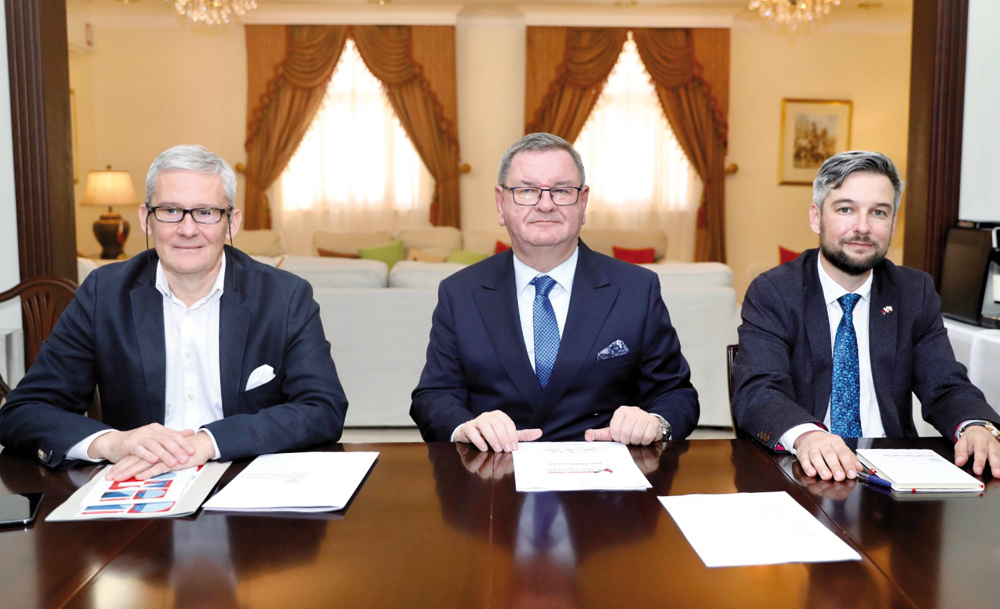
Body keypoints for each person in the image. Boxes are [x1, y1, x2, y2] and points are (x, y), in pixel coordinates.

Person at [0, 145, 348, 479]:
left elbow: (323, 408)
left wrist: (210, 442)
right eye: (170, 210)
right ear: (146, 219)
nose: (187, 228)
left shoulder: (284, 296)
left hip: (243, 485)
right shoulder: (103, 294)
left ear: (233, 222)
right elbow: (23, 411)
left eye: (206, 212)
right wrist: (114, 442)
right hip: (139, 487)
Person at [410, 132, 698, 452]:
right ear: (501, 203)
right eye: (527, 190)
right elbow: (433, 396)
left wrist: (656, 422)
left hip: (605, 481)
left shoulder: (636, 288)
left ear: (583, 201)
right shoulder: (460, 292)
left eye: (561, 190)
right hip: (494, 478)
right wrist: (464, 427)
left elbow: (676, 393)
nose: (545, 204)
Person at [732, 150, 1000, 481]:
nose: (862, 227)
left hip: (895, 477)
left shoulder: (913, 292)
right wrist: (808, 435)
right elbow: (758, 391)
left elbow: (945, 385)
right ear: (816, 217)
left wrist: (975, 424)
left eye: (878, 212)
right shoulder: (774, 292)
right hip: (800, 471)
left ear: (892, 223)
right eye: (846, 209)